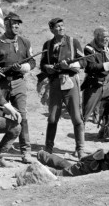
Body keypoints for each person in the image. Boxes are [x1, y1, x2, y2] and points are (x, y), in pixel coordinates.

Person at [0, 12, 36, 163]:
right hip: (0, 85)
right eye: (14, 23)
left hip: (19, 82)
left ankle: (25, 151)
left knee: (22, 116)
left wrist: (22, 68)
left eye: (18, 23)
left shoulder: (25, 42)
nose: (16, 26)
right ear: (6, 24)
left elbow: (33, 62)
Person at [39, 18, 86, 157]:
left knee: (77, 117)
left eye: (62, 26)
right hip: (54, 83)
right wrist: (47, 67)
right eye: (58, 27)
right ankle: (48, 148)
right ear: (52, 29)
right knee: (52, 117)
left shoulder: (73, 42)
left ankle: (80, 149)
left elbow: (83, 61)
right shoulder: (47, 45)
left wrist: (69, 66)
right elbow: (42, 64)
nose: (61, 28)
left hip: (70, 81)